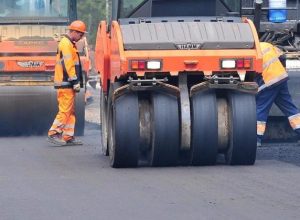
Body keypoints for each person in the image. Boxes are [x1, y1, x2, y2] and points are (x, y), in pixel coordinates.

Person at [47, 20, 87, 146]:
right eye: (81, 35)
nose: (82, 37)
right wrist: (74, 80)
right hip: (65, 83)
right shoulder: (66, 44)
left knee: (70, 111)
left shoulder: (70, 43)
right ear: (74, 32)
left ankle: (67, 136)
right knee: (65, 110)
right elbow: (68, 64)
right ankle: (53, 133)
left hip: (67, 83)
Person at [256, 42, 300, 147]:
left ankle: (256, 138)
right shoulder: (267, 45)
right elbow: (282, 56)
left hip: (269, 82)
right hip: (281, 78)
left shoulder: (252, 50)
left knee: (260, 108)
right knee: (290, 108)